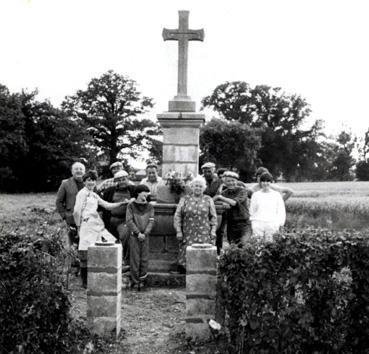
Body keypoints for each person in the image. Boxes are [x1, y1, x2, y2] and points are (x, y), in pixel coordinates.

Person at [73, 170, 125, 288]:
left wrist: (122, 203)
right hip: (86, 225)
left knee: (109, 243)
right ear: (85, 181)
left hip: (96, 224)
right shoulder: (82, 193)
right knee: (85, 251)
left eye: (93, 180)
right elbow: (76, 211)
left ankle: (100, 276)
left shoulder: (94, 194)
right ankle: (85, 281)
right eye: (88, 180)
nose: (91, 182)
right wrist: (78, 226)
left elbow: (107, 205)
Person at [173, 176, 217, 274]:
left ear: (204, 188)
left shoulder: (208, 199)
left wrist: (213, 230)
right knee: (187, 252)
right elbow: (178, 215)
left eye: (200, 186)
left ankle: (202, 275)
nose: (198, 188)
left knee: (203, 253)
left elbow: (213, 217)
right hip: (188, 233)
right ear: (192, 187)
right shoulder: (184, 199)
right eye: (196, 186)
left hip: (204, 233)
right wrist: (179, 231)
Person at [102, 170, 136, 268]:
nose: (122, 182)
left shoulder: (133, 189)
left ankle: (126, 261)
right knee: (109, 240)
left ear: (128, 179)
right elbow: (103, 206)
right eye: (119, 180)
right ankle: (111, 263)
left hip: (124, 221)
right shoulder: (110, 190)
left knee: (125, 236)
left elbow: (146, 197)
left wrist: (135, 200)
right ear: (116, 181)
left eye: (124, 179)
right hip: (111, 220)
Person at [126, 184, 155, 289]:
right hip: (135, 236)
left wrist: (145, 233)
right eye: (144, 192)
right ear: (138, 192)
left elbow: (151, 221)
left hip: (145, 237)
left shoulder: (150, 206)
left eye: (147, 192)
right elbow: (129, 221)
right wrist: (138, 233)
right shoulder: (131, 206)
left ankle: (142, 280)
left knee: (144, 259)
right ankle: (135, 280)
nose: (146, 194)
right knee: (135, 259)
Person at [213, 171, 252, 246]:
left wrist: (221, 198)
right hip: (231, 225)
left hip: (244, 224)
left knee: (244, 244)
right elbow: (213, 201)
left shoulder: (242, 190)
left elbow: (234, 203)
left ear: (236, 181)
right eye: (228, 181)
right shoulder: (224, 193)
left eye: (233, 180)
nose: (231, 183)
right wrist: (222, 204)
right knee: (233, 246)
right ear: (225, 183)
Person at [56, 161, 86, 248]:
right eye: (76, 169)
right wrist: (64, 216)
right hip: (71, 218)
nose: (79, 171)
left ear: (84, 171)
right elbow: (59, 201)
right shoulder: (65, 183)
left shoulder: (89, 183)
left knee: (85, 243)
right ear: (72, 171)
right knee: (73, 245)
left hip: (86, 219)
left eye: (81, 169)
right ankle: (73, 261)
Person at [250, 172, 286, 242]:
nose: (265, 183)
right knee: (258, 245)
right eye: (263, 181)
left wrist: (280, 223)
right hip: (258, 223)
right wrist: (254, 223)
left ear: (271, 182)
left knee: (270, 245)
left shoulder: (276, 195)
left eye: (268, 181)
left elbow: (281, 210)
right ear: (260, 182)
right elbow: (252, 210)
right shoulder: (255, 195)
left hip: (272, 223)